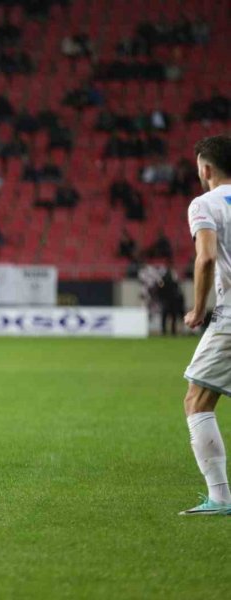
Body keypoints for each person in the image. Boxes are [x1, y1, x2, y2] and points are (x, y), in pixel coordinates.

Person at [179, 134, 231, 516]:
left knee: (197, 400)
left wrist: (199, 309)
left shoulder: (205, 204)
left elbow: (206, 258)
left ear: (206, 168)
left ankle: (220, 498)